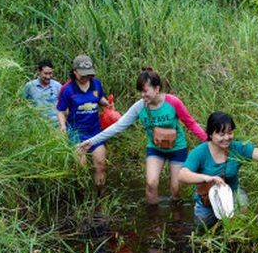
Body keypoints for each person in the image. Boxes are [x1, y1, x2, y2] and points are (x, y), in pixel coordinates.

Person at [79, 67, 207, 204]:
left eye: (145, 91)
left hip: (177, 148)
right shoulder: (139, 107)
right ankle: (154, 221)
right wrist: (91, 142)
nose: (142, 95)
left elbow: (191, 124)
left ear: (157, 88)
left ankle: (176, 219)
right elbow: (118, 126)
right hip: (155, 148)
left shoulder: (173, 102)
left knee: (176, 189)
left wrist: (209, 142)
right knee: (151, 184)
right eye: (140, 91)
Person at [178, 111, 258, 229]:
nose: (227, 138)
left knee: (242, 219)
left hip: (233, 191)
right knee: (203, 230)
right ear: (211, 134)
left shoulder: (237, 148)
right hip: (208, 199)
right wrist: (207, 178)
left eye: (230, 133)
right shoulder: (200, 152)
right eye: (221, 134)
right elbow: (183, 175)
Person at [57, 55, 113, 193]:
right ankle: (83, 196)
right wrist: (62, 125)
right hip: (76, 132)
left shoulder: (96, 84)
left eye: (88, 75)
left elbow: (99, 98)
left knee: (100, 165)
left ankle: (101, 196)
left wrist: (107, 104)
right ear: (75, 71)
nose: (86, 78)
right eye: (83, 75)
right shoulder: (67, 89)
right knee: (81, 168)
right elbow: (60, 110)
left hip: (95, 130)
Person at [23, 59, 62, 124]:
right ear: (39, 71)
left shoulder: (58, 86)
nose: (48, 76)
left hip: (55, 124)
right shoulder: (30, 86)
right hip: (37, 125)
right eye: (45, 73)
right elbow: (22, 102)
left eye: (50, 73)